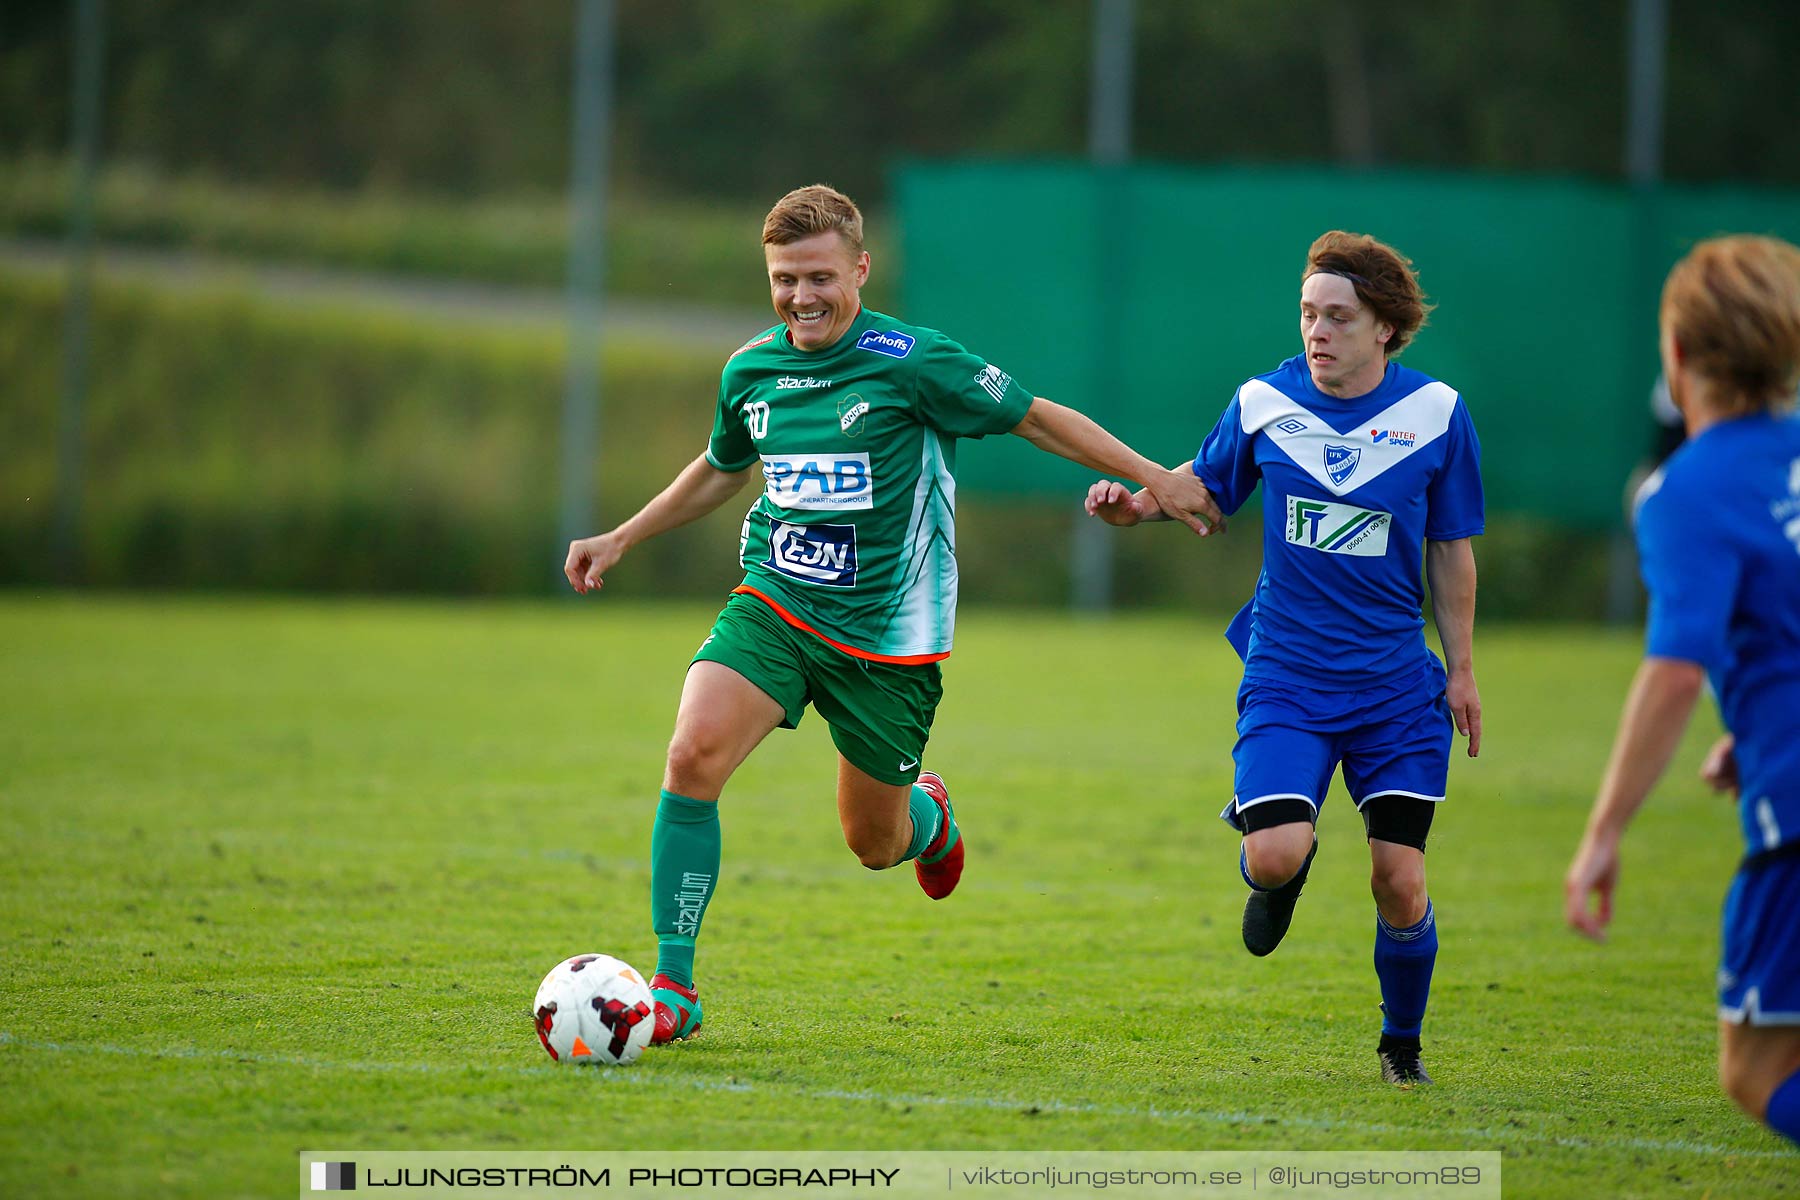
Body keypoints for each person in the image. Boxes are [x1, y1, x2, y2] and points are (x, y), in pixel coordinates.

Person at [563, 184, 1224, 1046]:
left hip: (889, 639)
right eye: (784, 279)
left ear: (861, 270)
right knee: (692, 754)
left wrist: (1158, 478)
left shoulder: (916, 361)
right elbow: (726, 466)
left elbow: (1037, 419)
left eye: (820, 278)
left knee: (874, 842)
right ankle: (674, 983)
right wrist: (623, 534)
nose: (802, 297)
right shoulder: (751, 370)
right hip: (775, 605)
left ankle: (931, 817)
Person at [1085, 231, 1483, 1086]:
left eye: (1338, 316)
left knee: (1399, 882)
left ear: (1386, 327)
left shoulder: (1438, 414)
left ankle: (1400, 1047)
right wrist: (1138, 507)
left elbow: (1451, 548)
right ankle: (1280, 875)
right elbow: (1208, 487)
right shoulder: (1266, 402)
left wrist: (1462, 668)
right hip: (1289, 674)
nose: (1318, 331)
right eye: (1308, 313)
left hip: (1393, 686)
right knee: (1273, 853)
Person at [1566, 234, 1800, 1148]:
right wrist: (1759, 732)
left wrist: (1602, 834)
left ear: (1677, 357)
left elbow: (1675, 668)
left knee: (1755, 1070)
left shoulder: (1685, 492)